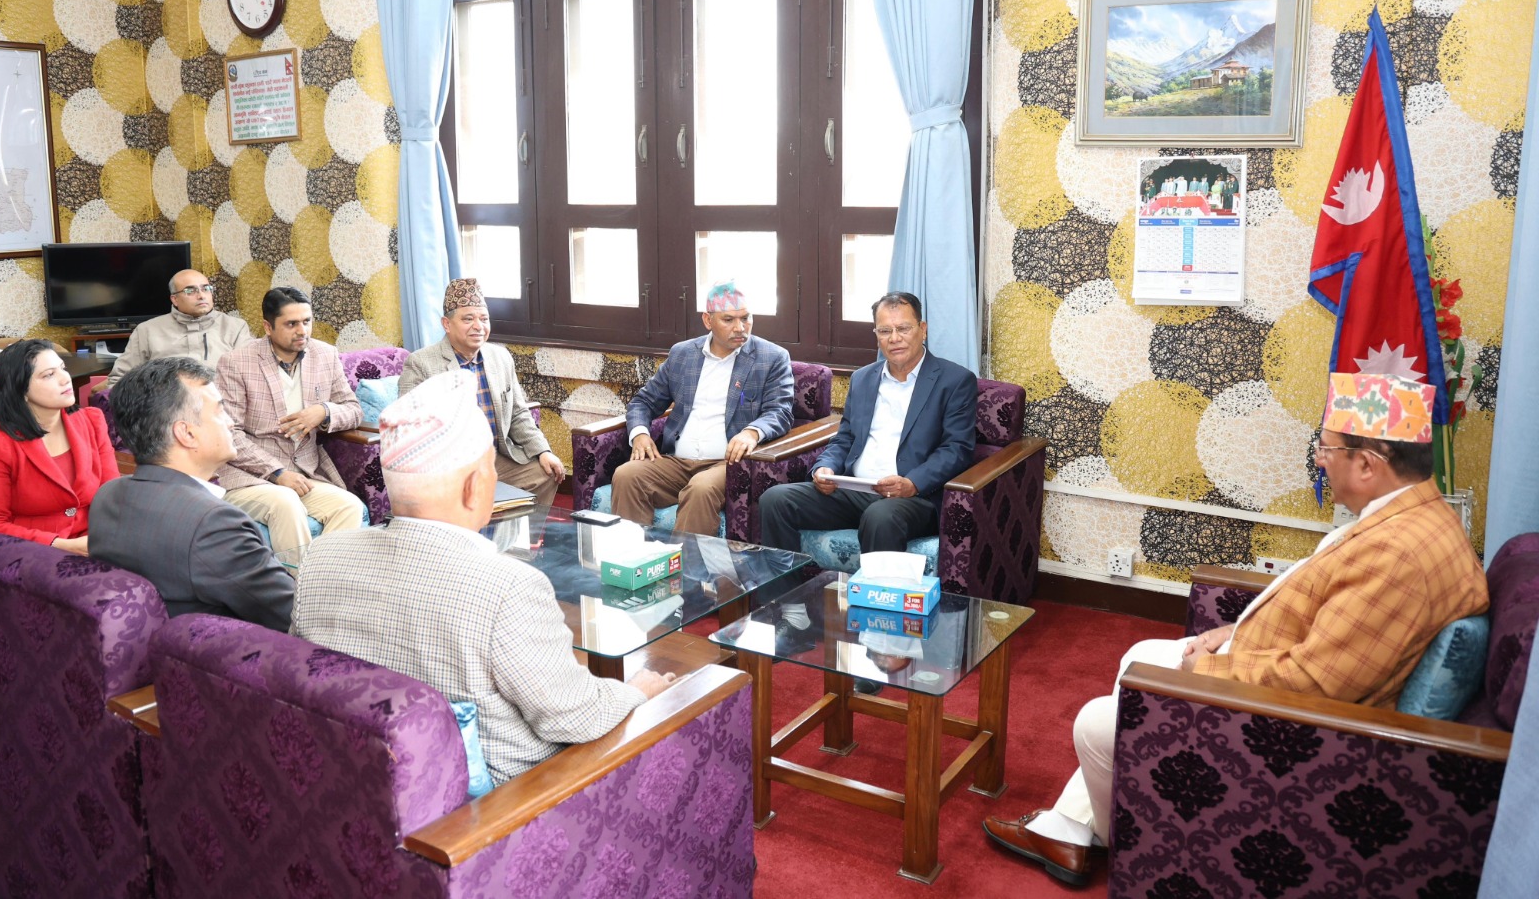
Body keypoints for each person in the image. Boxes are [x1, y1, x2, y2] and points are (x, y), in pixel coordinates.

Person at [982, 372, 1490, 888]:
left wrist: (1208, 668)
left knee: (1095, 722)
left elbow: (1315, 684)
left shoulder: (1398, 557)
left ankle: (1122, 844)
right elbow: (1332, 623)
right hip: (1279, 673)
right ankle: (1072, 829)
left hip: (1300, 734)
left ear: (1367, 464)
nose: (1319, 460)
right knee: (1139, 655)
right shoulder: (1413, 514)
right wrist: (1233, 632)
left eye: (1327, 448)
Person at [291, 370, 675, 786]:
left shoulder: (321, 556)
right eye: (492, 468)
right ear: (475, 486)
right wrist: (637, 691)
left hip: (354, 781)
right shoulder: (508, 587)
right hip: (497, 803)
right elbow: (575, 718)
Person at [759, 291, 976, 557]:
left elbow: (956, 449)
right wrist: (825, 466)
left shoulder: (954, 381)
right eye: (885, 331)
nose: (894, 338)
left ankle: (877, 587)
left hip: (911, 498)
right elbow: (845, 437)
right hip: (853, 489)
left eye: (903, 328)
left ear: (923, 329)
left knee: (880, 516)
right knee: (776, 500)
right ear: (876, 335)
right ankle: (788, 585)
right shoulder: (862, 378)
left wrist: (912, 482)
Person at [89, 357, 295, 630]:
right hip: (223, 652)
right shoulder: (215, 524)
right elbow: (294, 615)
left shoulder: (106, 496)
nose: (231, 423)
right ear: (186, 433)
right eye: (220, 411)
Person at [609, 282, 795, 537]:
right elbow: (644, 402)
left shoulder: (771, 357)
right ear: (708, 320)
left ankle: (683, 563)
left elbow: (780, 412)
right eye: (728, 319)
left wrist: (752, 432)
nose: (740, 328)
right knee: (627, 475)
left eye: (745, 318)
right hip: (676, 461)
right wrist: (640, 434)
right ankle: (634, 557)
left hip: (726, 464)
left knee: (700, 488)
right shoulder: (683, 354)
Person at [214, 287, 366, 558]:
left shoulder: (325, 354)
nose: (302, 331)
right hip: (249, 476)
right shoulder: (236, 363)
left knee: (349, 506)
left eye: (307, 321)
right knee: (285, 502)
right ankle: (294, 584)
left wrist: (323, 412)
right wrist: (276, 472)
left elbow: (354, 410)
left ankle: (321, 579)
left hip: (303, 472)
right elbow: (229, 432)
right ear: (268, 327)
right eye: (291, 324)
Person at [397, 278, 566, 513]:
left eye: (484, 319)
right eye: (468, 319)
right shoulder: (421, 363)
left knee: (545, 473)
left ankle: (515, 535)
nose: (478, 326)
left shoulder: (500, 357)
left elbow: (517, 414)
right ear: (447, 324)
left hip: (496, 458)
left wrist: (542, 451)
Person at [0, 339, 119, 553]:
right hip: (26, 553)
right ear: (21, 389)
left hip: (95, 542)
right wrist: (61, 545)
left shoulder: (92, 421)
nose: (65, 378)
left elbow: (112, 498)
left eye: (63, 368)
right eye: (49, 375)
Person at [102, 268, 252, 388]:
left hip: (221, 407)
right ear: (174, 299)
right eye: (190, 291)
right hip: (163, 409)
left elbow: (251, 375)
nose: (201, 295)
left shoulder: (235, 328)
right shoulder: (147, 331)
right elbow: (119, 380)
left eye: (206, 288)